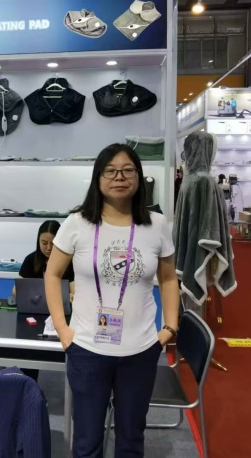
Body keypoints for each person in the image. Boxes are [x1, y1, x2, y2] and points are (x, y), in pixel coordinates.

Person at [44, 143, 180, 457]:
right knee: (87, 441)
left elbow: (169, 278)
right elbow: (52, 274)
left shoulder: (156, 224)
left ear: (139, 177)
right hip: (87, 349)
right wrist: (63, 331)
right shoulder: (77, 223)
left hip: (141, 350)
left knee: (131, 440)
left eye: (128, 170)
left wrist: (169, 328)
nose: (119, 177)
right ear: (98, 177)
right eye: (111, 171)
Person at [11, 220, 75, 382]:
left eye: (53, 243)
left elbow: (74, 292)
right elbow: (15, 291)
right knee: (28, 350)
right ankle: (30, 386)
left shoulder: (68, 262)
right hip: (34, 314)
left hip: (61, 316)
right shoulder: (30, 260)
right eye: (44, 243)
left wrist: (70, 295)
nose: (48, 248)